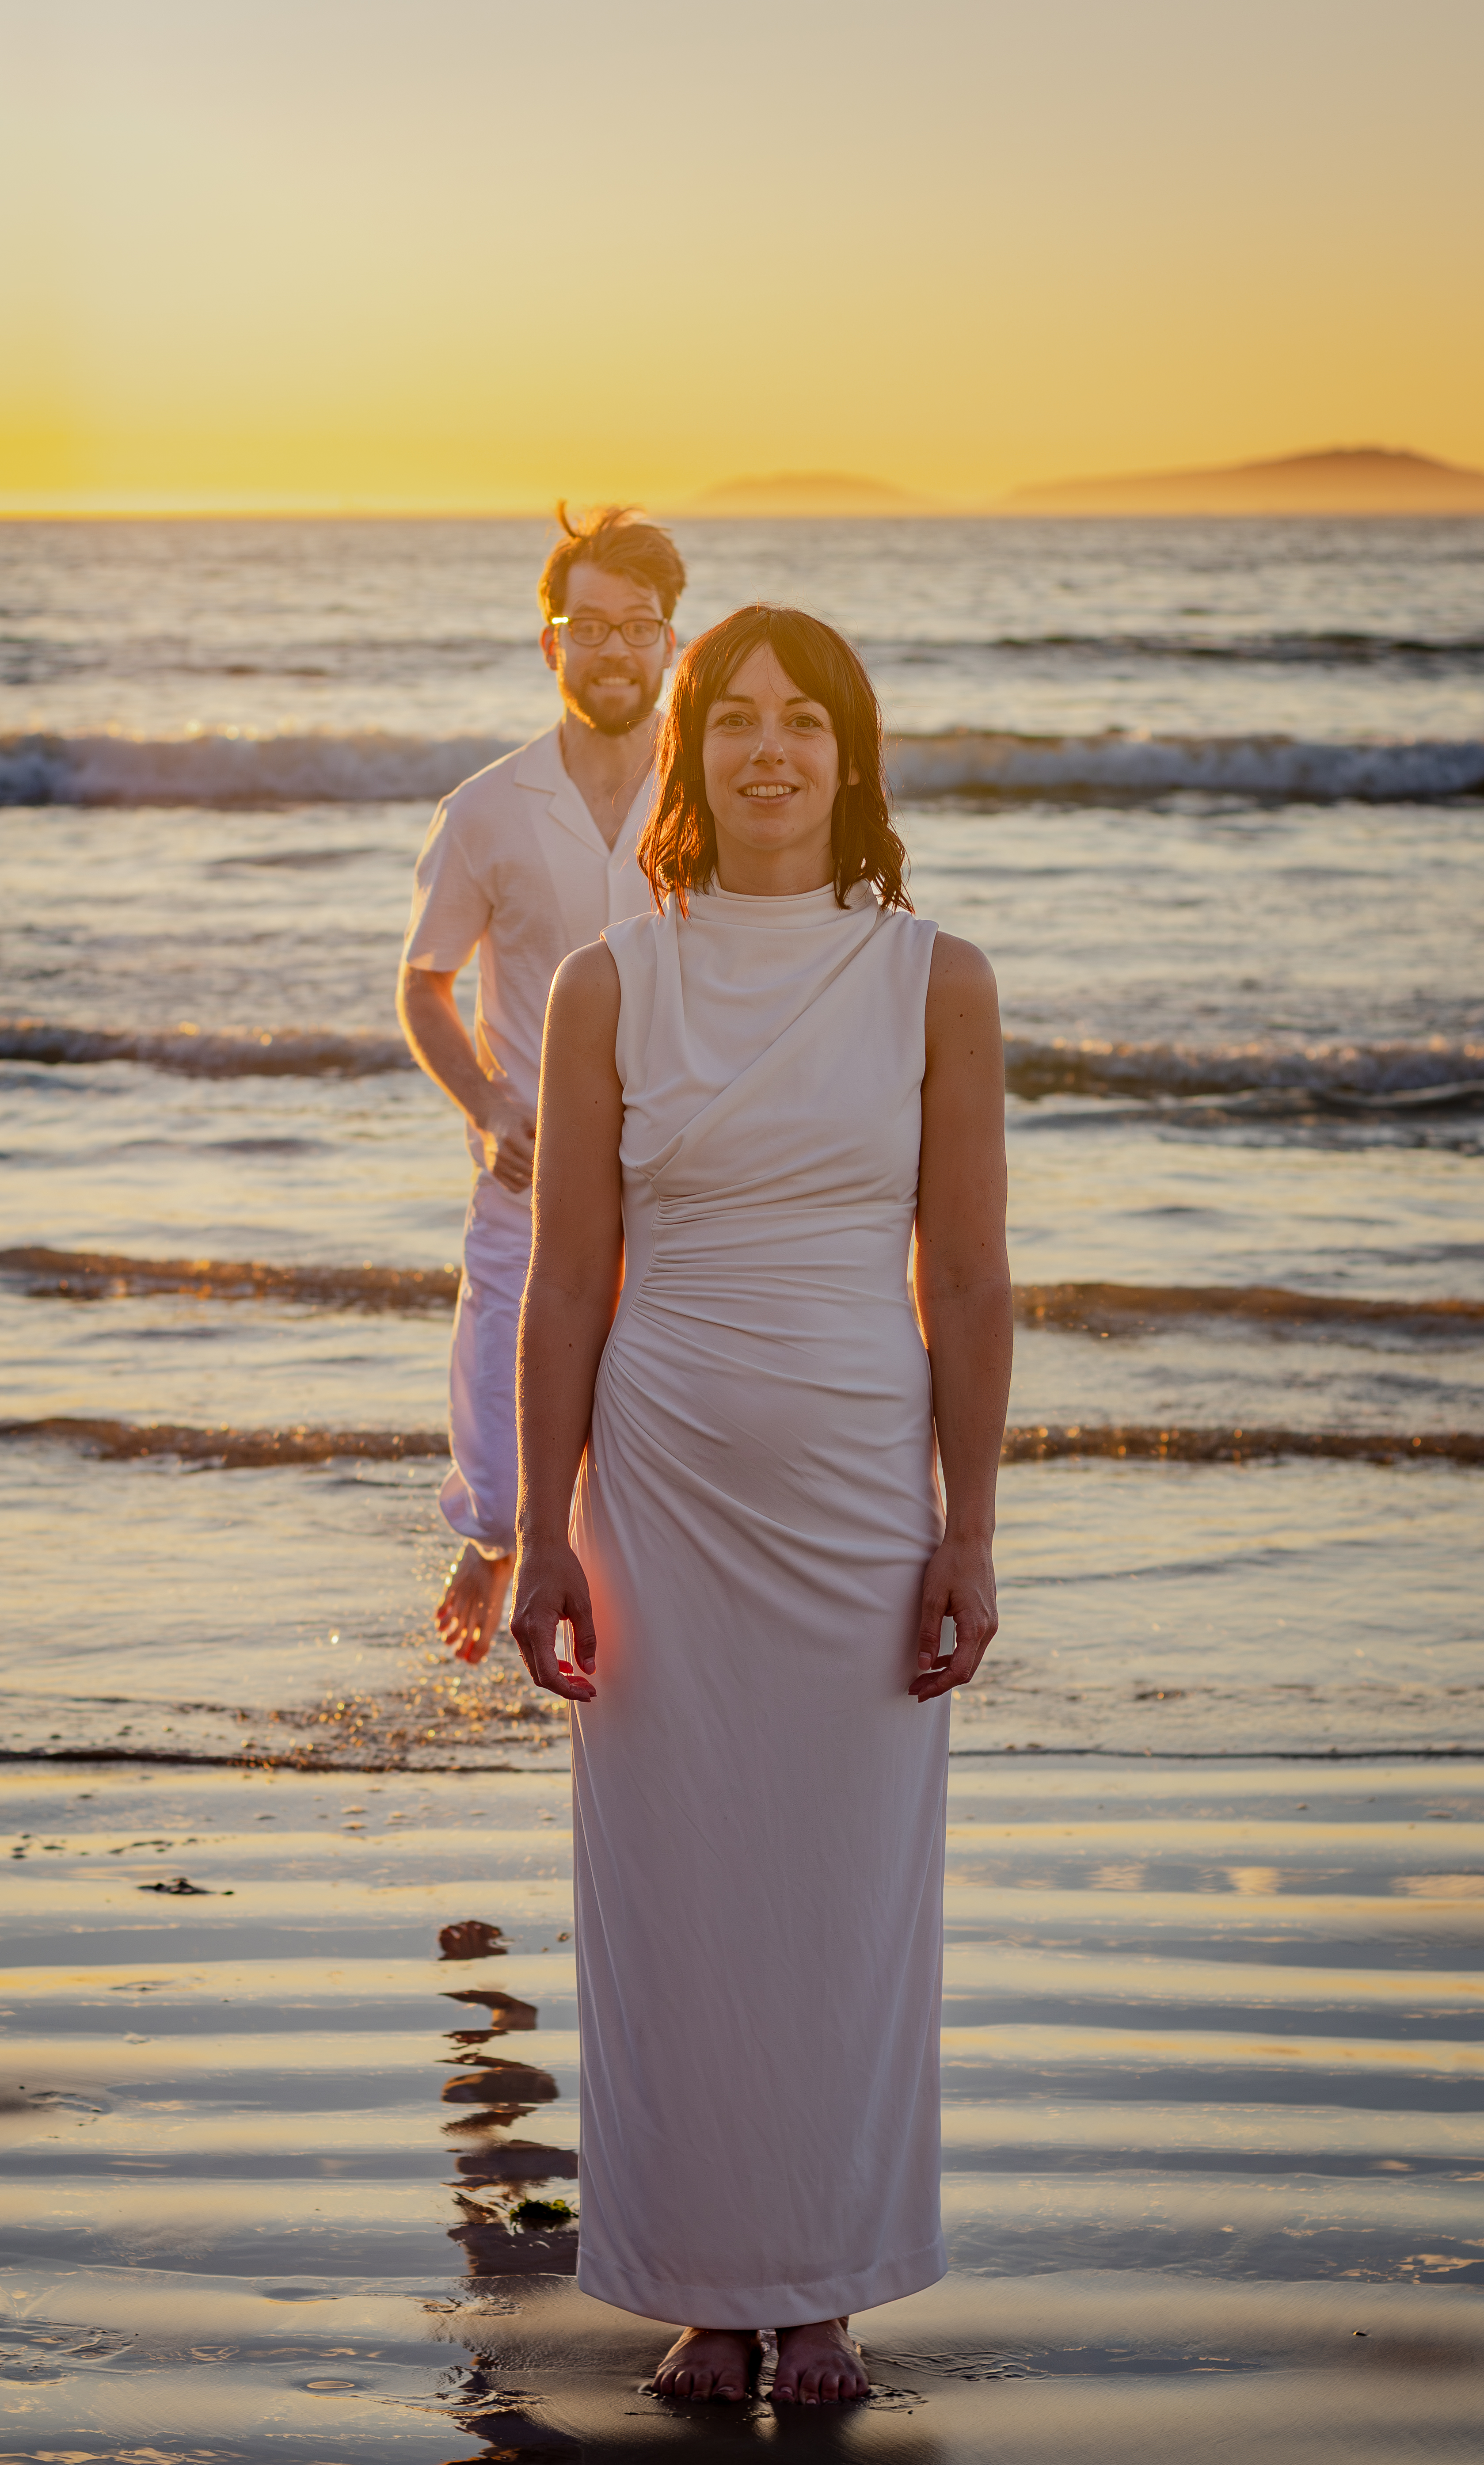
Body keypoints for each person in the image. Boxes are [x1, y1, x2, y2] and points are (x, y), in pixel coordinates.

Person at [509, 606, 1012, 2405]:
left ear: (852, 755)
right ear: (692, 755)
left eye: (806, 720)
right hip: (660, 1502)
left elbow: (966, 1279)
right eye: (738, 720)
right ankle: (705, 2285)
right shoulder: (607, 986)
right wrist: (539, 1526)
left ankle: (827, 2286)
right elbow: (569, 1285)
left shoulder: (934, 977)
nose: (770, 749)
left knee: (845, 1892)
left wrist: (971, 1531)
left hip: (862, 1504)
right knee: (673, 1890)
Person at [397, 505, 687, 1657]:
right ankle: (500, 1535)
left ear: (671, 642)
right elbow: (424, 985)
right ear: (551, 644)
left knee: (672, 1394)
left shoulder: (717, 796)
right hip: (535, 1152)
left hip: (686, 1159)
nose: (616, 651)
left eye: (640, 628)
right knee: (505, 1333)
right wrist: (489, 1103)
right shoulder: (486, 810)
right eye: (592, 627)